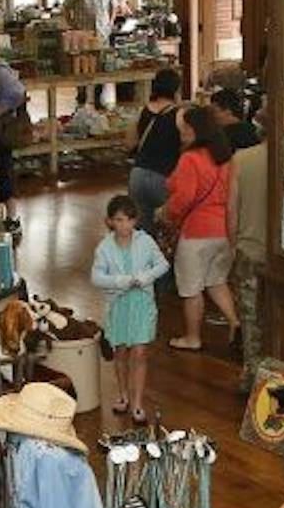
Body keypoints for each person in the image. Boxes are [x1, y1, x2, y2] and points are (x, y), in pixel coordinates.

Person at [163, 103, 240, 354]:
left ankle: (192, 337)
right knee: (217, 281)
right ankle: (235, 323)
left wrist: (168, 215)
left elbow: (183, 198)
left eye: (185, 127)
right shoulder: (225, 158)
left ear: (195, 130)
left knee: (191, 287)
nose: (182, 132)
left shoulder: (190, 159)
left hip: (197, 231)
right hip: (224, 230)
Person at [90, 195, 170, 420]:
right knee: (121, 352)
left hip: (142, 303)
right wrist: (119, 281)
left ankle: (137, 403)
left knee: (140, 352)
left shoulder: (145, 241)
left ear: (135, 221)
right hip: (118, 306)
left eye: (129, 220)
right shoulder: (104, 248)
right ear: (110, 222)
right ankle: (123, 395)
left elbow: (162, 264)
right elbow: (96, 277)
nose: (125, 225)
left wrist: (146, 277)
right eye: (119, 220)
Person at [231, 110, 274, 390]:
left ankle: (252, 378)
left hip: (249, 249)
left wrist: (233, 243)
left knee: (251, 319)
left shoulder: (242, 159)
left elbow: (231, 209)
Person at [129, 69, 184, 234]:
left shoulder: (142, 111)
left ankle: (143, 259)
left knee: (142, 232)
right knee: (168, 228)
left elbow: (129, 143)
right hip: (164, 176)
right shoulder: (179, 114)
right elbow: (186, 144)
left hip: (138, 175)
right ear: (176, 89)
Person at [0, 33, 30, 214]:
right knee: (1, 167)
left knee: (3, 168)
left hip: (0, 128)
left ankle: (10, 214)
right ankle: (2, 212)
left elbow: (17, 93)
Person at [62, 0, 114, 111]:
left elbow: (113, 5)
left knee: (101, 66)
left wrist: (110, 23)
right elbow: (66, 8)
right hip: (83, 35)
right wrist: (74, 27)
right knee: (82, 67)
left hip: (102, 33)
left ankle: (98, 99)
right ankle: (81, 98)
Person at [211, 85, 261, 150]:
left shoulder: (222, 137)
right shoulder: (252, 129)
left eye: (214, 112)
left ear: (227, 111)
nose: (212, 116)